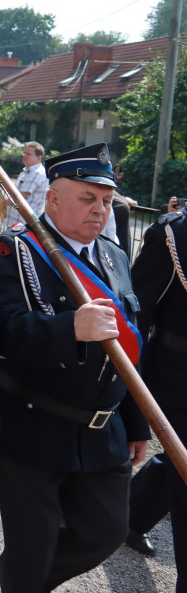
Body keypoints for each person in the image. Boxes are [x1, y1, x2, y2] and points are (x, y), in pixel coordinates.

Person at [0, 142, 149, 592]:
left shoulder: (114, 257)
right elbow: (0, 333)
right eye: (88, 199)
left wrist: (137, 423)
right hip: (36, 426)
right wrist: (68, 329)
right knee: (32, 546)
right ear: (52, 199)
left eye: (106, 201)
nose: (100, 210)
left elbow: (132, 347)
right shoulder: (15, 250)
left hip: (104, 432)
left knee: (107, 532)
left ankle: (20, 580)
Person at [125, 204, 187, 566]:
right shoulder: (173, 233)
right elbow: (138, 312)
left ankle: (131, 516)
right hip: (178, 378)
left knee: (177, 466)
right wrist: (132, 393)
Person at [2, 140, 47, 227]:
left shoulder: (37, 173)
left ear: (39, 158)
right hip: (16, 224)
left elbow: (19, 196)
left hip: (23, 225)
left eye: (28, 154)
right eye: (25, 153)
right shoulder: (27, 171)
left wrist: (0, 204)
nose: (24, 156)